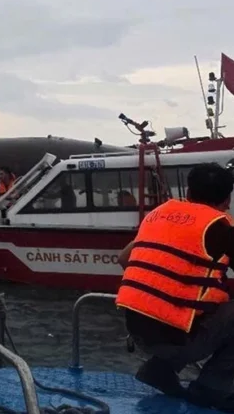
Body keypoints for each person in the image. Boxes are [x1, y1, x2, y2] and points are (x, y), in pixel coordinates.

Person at [115, 163, 234, 411]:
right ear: (227, 200)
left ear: (188, 193)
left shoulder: (159, 215)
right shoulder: (221, 228)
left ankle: (159, 370)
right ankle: (211, 388)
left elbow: (124, 258)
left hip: (136, 331)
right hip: (178, 341)